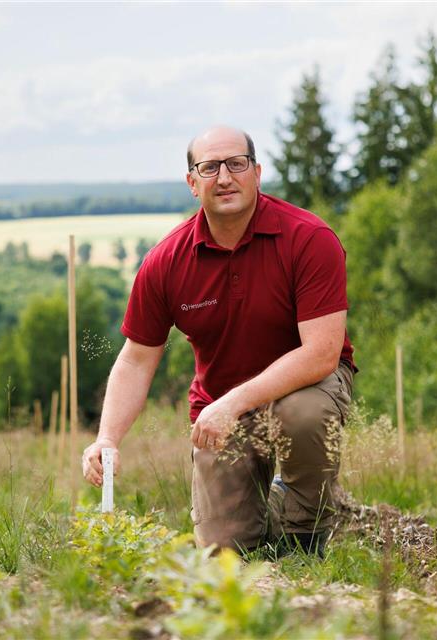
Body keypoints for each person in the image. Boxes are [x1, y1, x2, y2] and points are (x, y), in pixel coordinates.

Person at [82, 125, 355, 556]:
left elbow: (321, 354)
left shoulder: (308, 238)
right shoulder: (166, 262)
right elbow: (136, 360)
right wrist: (107, 438)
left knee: (301, 413)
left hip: (305, 387)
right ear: (193, 183)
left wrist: (233, 402)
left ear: (257, 173)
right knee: (225, 553)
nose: (224, 177)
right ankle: (274, 506)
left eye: (236, 164)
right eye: (209, 168)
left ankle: (307, 532)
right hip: (220, 411)